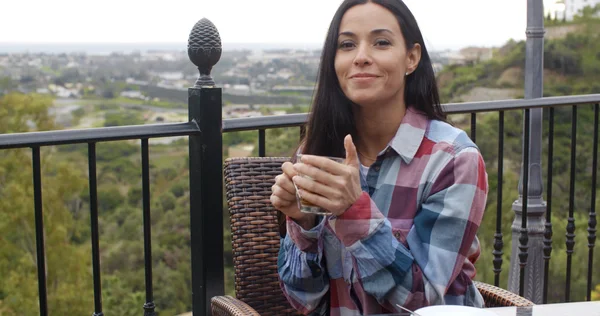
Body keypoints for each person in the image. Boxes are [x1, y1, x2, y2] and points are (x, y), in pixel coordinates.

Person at [269, 0, 488, 314]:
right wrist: (302, 225)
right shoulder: (318, 153)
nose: (361, 57)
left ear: (411, 58)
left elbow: (422, 300)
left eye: (381, 42)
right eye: (347, 45)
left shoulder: (453, 159)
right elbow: (304, 300)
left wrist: (353, 212)